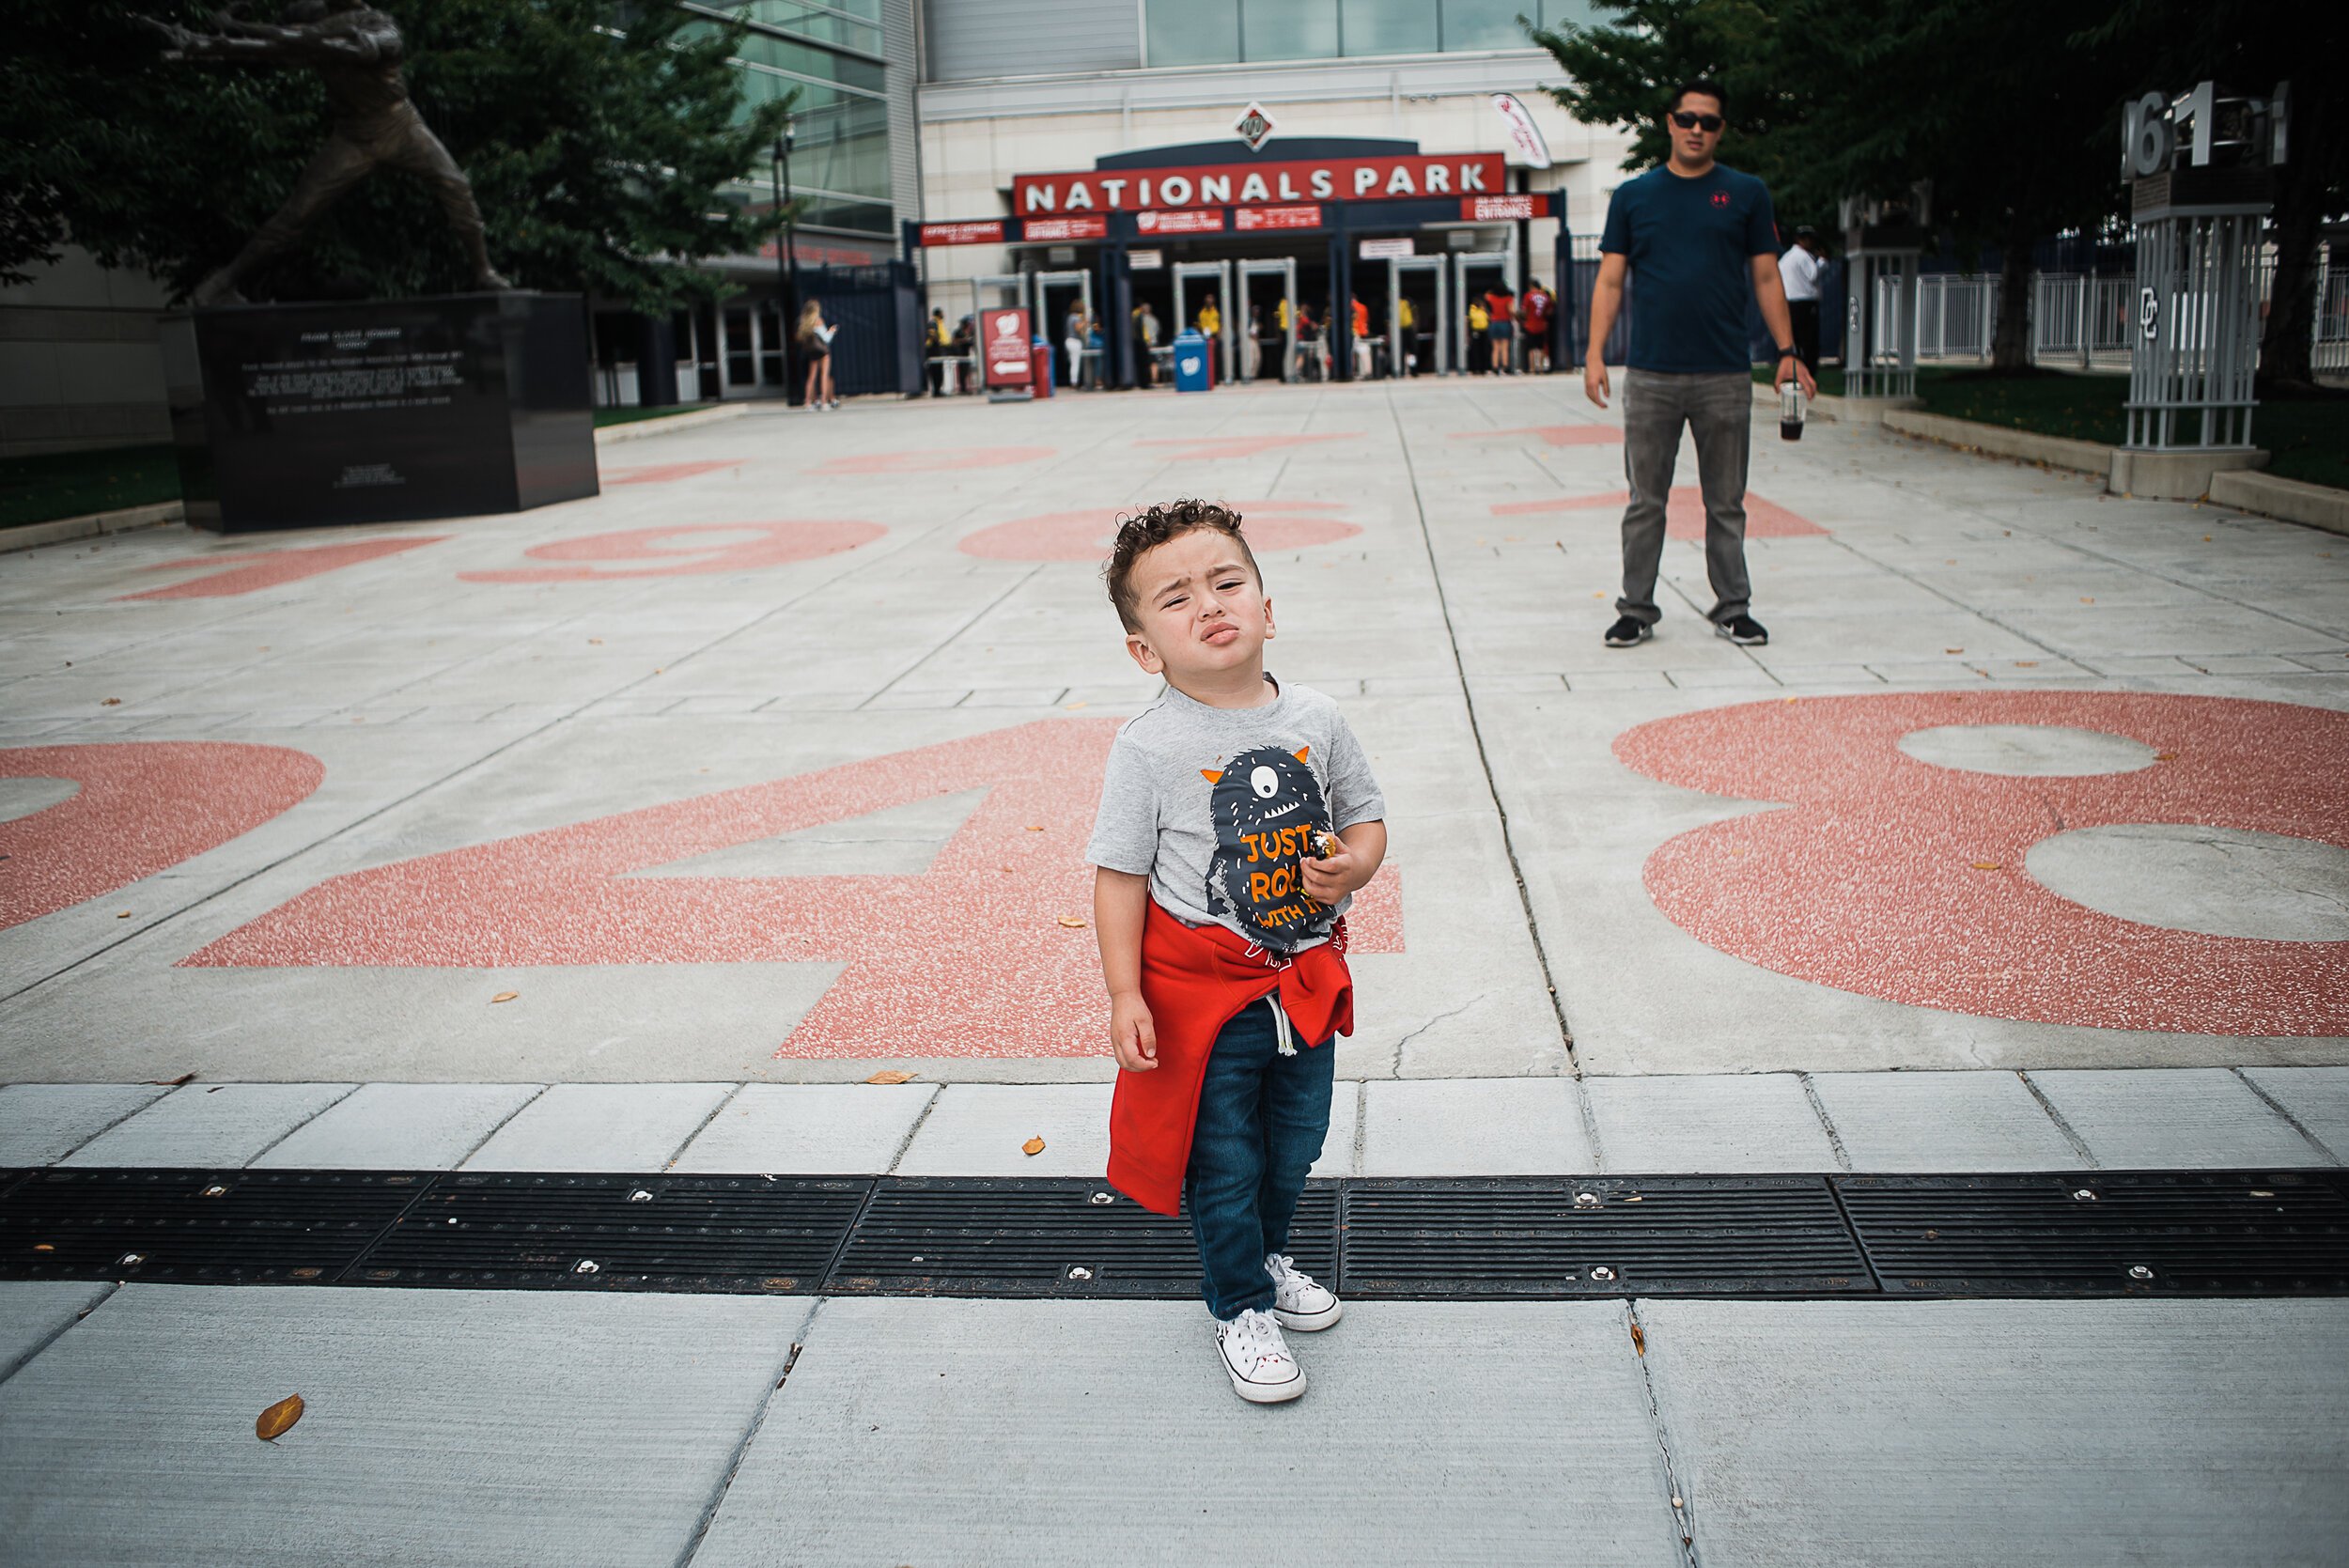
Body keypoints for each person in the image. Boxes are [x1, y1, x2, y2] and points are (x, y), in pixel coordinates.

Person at [1086, 499, 1389, 1405]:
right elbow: (1119, 877)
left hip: (1301, 978)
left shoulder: (1319, 717)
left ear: (1266, 604)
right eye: (1175, 598)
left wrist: (1355, 868)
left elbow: (1366, 818)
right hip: (1203, 998)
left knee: (1295, 1139)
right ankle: (1238, 1302)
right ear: (1146, 650)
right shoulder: (1147, 748)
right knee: (1224, 1154)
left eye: (1227, 581)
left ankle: (1265, 1248)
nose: (1209, 604)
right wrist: (1122, 993)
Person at [1585, 77, 1815, 650]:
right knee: (1645, 502)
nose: (1696, 130)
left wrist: (1788, 352)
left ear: (1720, 130)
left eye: (1708, 122)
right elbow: (1611, 278)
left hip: (1724, 373)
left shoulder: (1745, 193)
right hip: (1652, 374)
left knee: (1726, 501)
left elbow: (1766, 275)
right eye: (1687, 119)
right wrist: (1594, 353)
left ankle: (1733, 607)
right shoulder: (1634, 197)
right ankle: (1635, 609)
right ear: (1669, 122)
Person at [1780, 226, 1825, 373]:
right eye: (1808, 239)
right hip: (1806, 302)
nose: (1811, 242)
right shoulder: (1804, 256)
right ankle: (1810, 371)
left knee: (1794, 339)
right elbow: (1813, 275)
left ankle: (1793, 370)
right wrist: (1822, 261)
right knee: (1809, 341)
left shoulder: (1786, 258)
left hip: (1789, 302)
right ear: (1801, 240)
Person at [796, 300, 836, 410]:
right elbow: (826, 339)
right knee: (824, 376)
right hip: (823, 352)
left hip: (812, 352)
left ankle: (808, 402)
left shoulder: (803, 323)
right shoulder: (818, 321)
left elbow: (800, 339)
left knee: (811, 377)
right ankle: (824, 402)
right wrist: (831, 331)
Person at [1520, 280, 1554, 374]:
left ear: (1531, 286)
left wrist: (1524, 319)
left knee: (1531, 348)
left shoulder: (1528, 296)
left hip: (1530, 325)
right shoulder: (1545, 297)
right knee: (1541, 347)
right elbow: (1550, 311)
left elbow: (1524, 311)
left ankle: (1532, 368)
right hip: (1542, 325)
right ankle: (1541, 368)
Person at [1486, 284, 1517, 373]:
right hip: (1505, 323)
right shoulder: (1508, 298)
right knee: (1504, 347)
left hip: (1494, 323)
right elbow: (1511, 311)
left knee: (1495, 347)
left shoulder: (1491, 298)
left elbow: (1486, 295)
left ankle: (1495, 367)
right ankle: (1505, 366)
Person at [1133, 300, 1161, 387]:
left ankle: (1146, 381)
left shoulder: (1139, 318)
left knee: (1145, 362)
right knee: (1154, 362)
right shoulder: (1154, 319)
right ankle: (1154, 380)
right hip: (1153, 343)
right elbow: (1158, 330)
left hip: (1145, 343)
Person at [1197, 293, 1222, 381]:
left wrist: (1219, 334)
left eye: (1211, 298)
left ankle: (1217, 378)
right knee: (1207, 358)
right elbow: (1199, 325)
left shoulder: (1216, 311)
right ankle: (1208, 378)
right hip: (1205, 337)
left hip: (1214, 336)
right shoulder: (1202, 312)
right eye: (1207, 298)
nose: (1209, 300)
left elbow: (1221, 323)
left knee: (1216, 358)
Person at [926, 307, 950, 396]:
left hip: (939, 349)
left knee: (939, 371)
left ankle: (938, 390)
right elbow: (932, 334)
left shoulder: (939, 322)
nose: (943, 315)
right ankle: (936, 391)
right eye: (942, 313)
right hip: (934, 349)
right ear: (938, 314)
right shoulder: (933, 322)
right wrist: (938, 342)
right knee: (935, 371)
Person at [1064, 303, 1088, 390]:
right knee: (1075, 363)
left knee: (1073, 362)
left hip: (1068, 341)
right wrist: (1084, 323)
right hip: (1075, 341)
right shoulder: (1076, 317)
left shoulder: (1070, 317)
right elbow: (1078, 329)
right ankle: (1074, 383)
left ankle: (1074, 381)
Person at [948, 314, 974, 394]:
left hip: (967, 354)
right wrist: (964, 340)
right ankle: (962, 388)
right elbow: (954, 341)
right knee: (962, 372)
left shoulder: (970, 332)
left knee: (967, 371)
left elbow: (972, 342)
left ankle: (968, 387)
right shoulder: (958, 332)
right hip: (960, 353)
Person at [1349, 294, 1373, 380]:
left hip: (1354, 332)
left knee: (1351, 354)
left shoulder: (1350, 307)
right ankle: (1367, 372)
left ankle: (1352, 372)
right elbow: (1367, 320)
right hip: (1363, 333)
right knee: (1365, 353)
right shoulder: (1363, 307)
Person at [1466, 297, 1490, 373]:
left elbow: (1488, 319)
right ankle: (1476, 368)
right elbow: (1468, 321)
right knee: (1476, 350)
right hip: (1475, 331)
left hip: (1484, 331)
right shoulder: (1472, 310)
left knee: (1484, 350)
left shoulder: (1484, 311)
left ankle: (1483, 368)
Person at [1397, 292, 1419, 375]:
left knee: (1411, 352)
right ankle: (1403, 370)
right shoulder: (1396, 303)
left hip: (1407, 329)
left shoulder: (1407, 301)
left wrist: (1415, 326)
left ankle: (1412, 370)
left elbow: (1415, 313)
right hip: (1402, 330)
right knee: (1404, 351)